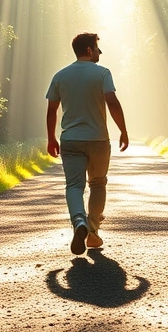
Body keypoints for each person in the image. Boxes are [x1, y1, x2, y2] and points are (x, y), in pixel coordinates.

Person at [46, 33, 129, 255]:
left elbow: (52, 109)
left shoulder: (60, 75)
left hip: (71, 139)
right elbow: (112, 102)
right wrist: (123, 130)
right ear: (89, 50)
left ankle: (79, 223)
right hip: (98, 139)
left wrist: (51, 138)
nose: (100, 52)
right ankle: (92, 232)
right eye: (97, 48)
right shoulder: (102, 73)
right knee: (98, 183)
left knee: (74, 186)